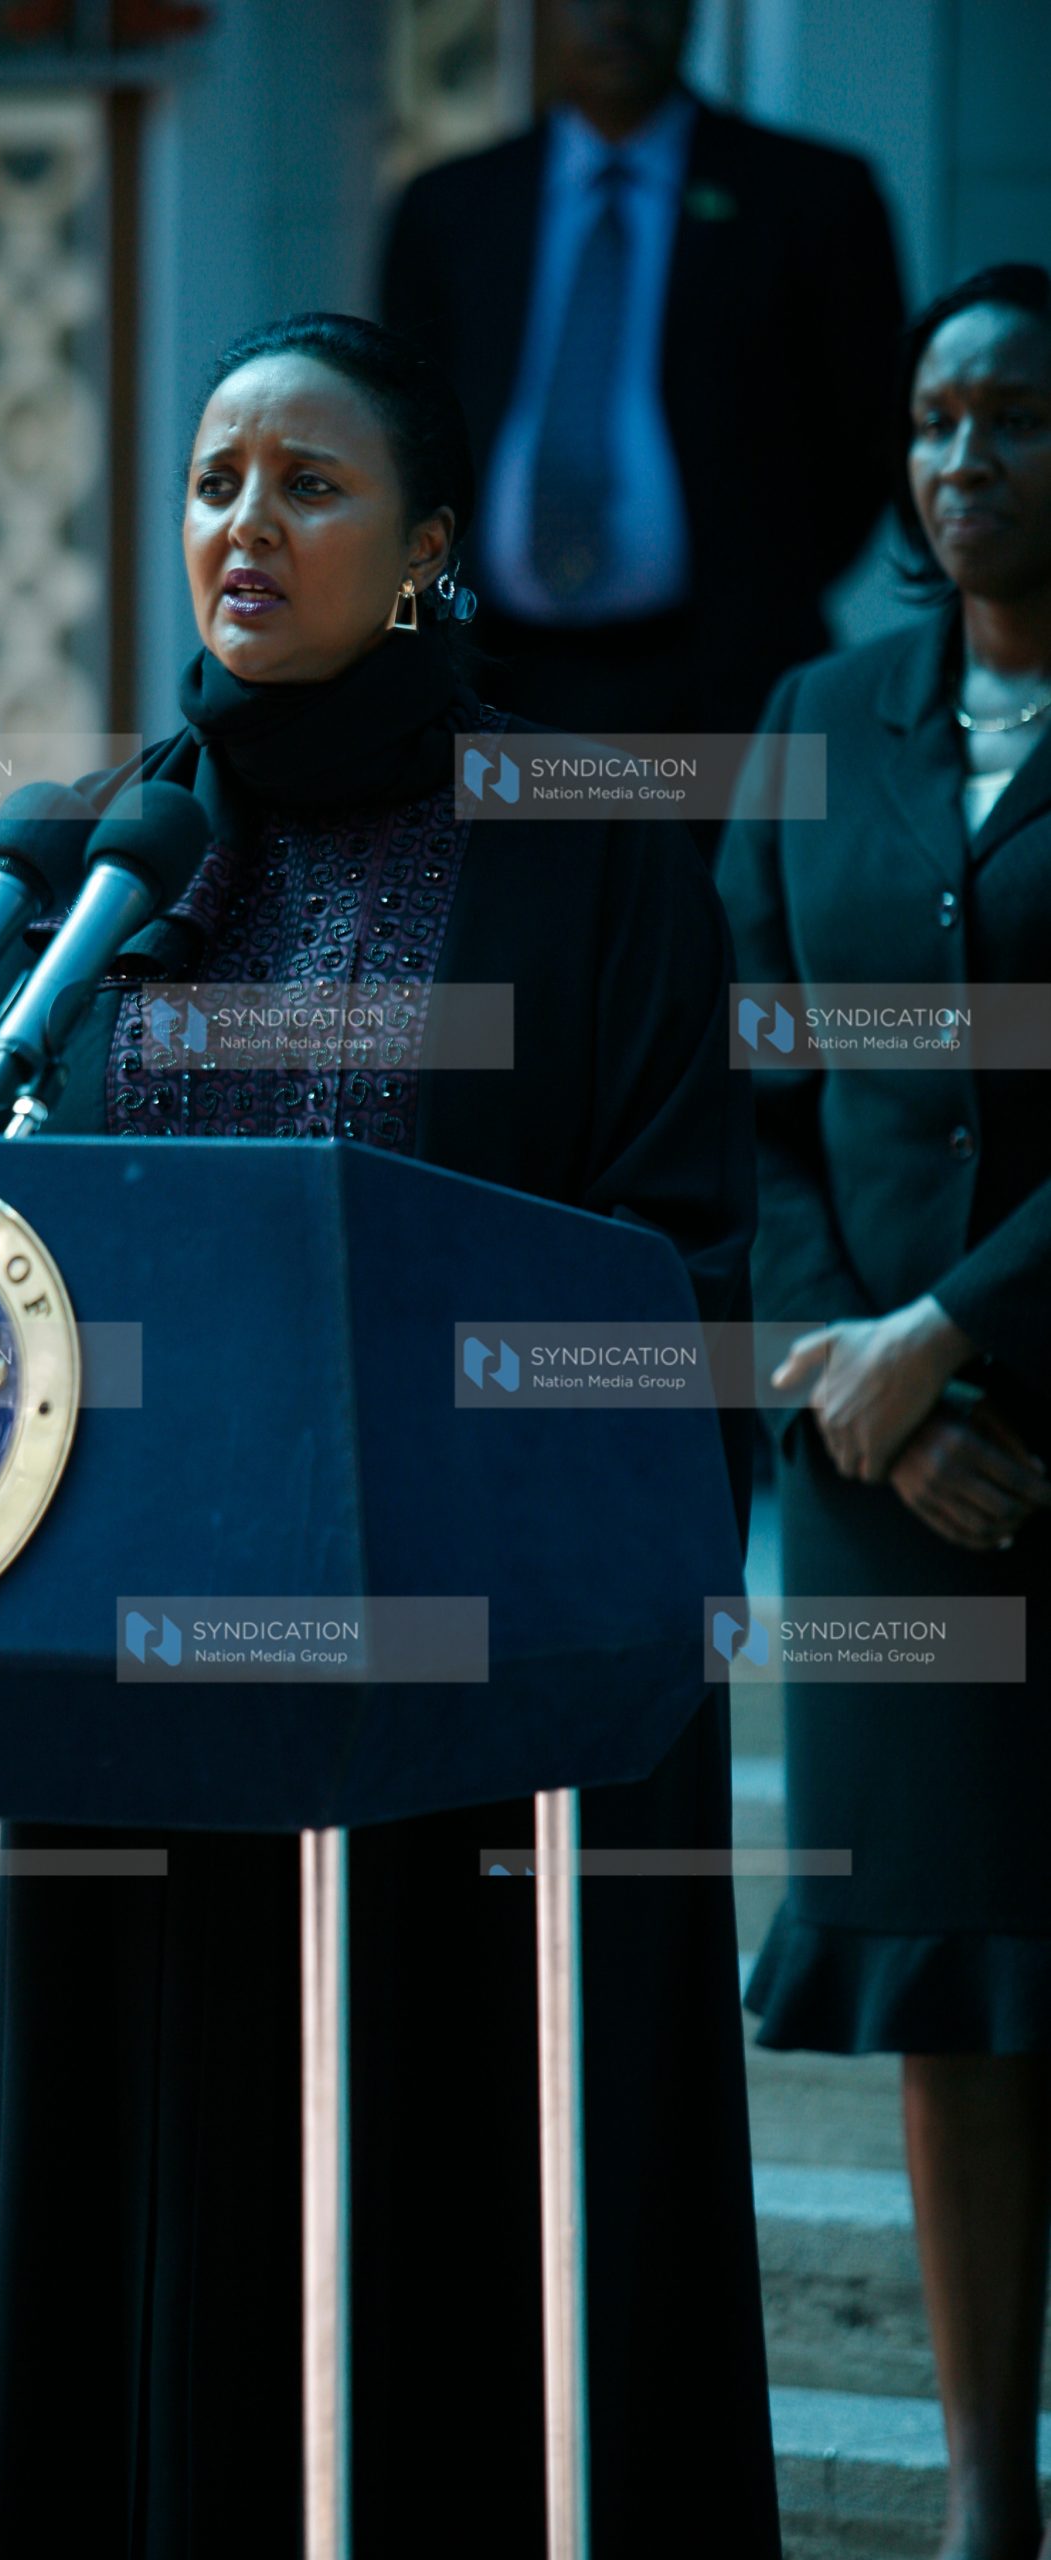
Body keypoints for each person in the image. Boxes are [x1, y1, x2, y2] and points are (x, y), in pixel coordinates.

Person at [0, 311, 779, 2556]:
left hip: (476, 1706)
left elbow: (674, 1267)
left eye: (309, 486)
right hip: (132, 1678)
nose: (245, 524)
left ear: (428, 547)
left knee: (465, 2247)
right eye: (215, 480)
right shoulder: (96, 859)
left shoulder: (582, 845)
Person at [718, 264, 1051, 2560]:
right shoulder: (815, 718)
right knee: (951, 1980)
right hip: (872, 1464)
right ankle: (977, 2490)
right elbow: (747, 1106)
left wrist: (950, 1321)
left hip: (1018, 1399)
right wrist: (854, 1365)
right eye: (932, 420)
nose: (958, 461)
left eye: (1011, 418)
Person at [380, 0, 904, 759]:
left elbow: (868, 439)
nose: (619, 15)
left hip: (728, 685)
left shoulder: (813, 197)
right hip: (494, 677)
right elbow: (404, 437)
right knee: (512, 841)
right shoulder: (446, 206)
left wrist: (762, 587)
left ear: (693, 11)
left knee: (727, 845)